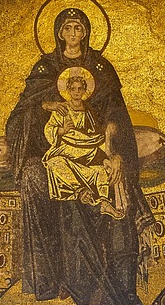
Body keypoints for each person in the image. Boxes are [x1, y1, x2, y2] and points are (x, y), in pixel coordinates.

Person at [4, 7, 152, 305]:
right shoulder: (45, 69)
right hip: (56, 154)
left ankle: (124, 287)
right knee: (37, 177)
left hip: (97, 152)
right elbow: (21, 116)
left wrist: (114, 152)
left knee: (116, 183)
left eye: (79, 28)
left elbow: (115, 116)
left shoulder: (101, 67)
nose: (73, 34)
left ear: (86, 32)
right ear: (59, 33)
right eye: (68, 28)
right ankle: (53, 278)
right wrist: (46, 105)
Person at [41, 67, 125, 220]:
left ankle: (104, 203)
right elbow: (49, 128)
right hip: (67, 149)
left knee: (100, 171)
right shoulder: (62, 109)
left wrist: (106, 154)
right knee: (54, 163)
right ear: (68, 90)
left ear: (85, 90)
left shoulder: (88, 111)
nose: (77, 92)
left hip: (88, 150)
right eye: (73, 89)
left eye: (80, 89)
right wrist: (61, 131)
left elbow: (95, 135)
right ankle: (80, 191)